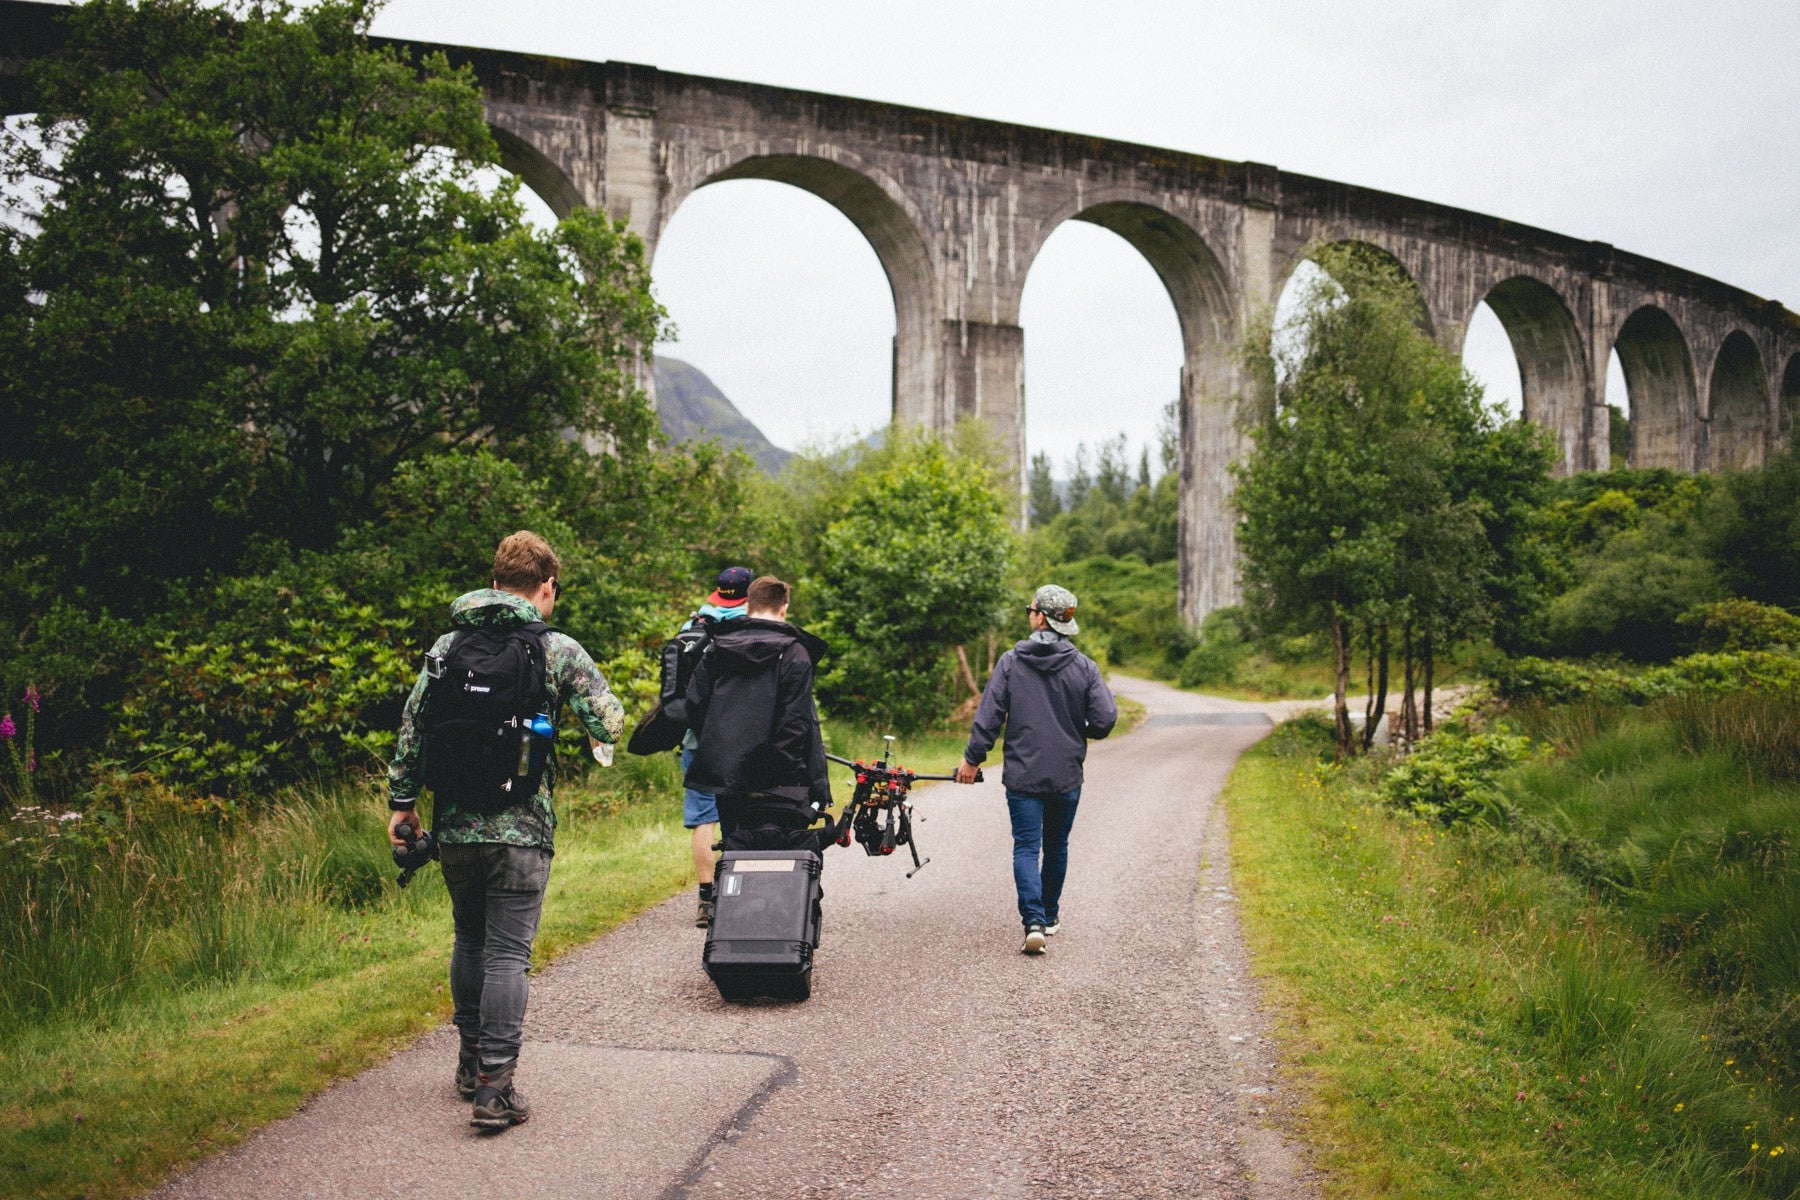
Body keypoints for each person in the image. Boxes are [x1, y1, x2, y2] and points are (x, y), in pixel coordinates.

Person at [387, 531, 624, 1130]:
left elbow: (414, 727)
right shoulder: (556, 648)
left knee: (470, 941)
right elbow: (609, 718)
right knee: (509, 955)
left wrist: (402, 803)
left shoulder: (447, 645)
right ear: (546, 588)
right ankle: (495, 1090)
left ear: (494, 582)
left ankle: (469, 1066)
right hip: (522, 827)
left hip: (456, 826)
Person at [956, 584, 1116, 955]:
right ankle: (1050, 914)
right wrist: (1080, 733)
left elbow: (989, 717)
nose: (1028, 614)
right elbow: (1106, 720)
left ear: (1040, 617)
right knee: (1056, 845)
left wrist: (971, 759)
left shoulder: (1012, 662)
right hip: (1066, 774)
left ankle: (1033, 922)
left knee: (1027, 846)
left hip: (1023, 776)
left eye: (1030, 609)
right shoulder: (1084, 667)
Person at [683, 575, 832, 846]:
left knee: (734, 844)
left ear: (748, 605)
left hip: (725, 771)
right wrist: (795, 775)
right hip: (781, 777)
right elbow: (795, 722)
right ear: (783, 609)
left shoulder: (717, 647)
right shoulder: (796, 653)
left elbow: (694, 704)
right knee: (781, 849)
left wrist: (721, 744)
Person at [678, 566, 753, 927]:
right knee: (743, 812)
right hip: (741, 740)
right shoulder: (751, 628)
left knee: (703, 818)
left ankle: (706, 901)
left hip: (696, 739)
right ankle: (742, 892)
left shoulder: (691, 627)